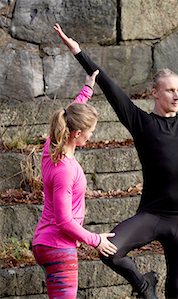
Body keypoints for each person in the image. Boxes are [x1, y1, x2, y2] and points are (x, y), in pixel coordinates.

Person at [54, 22, 178, 299]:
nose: (177, 95)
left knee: (177, 289)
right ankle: (144, 285)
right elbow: (109, 86)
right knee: (111, 250)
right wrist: (78, 52)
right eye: (169, 90)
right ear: (155, 93)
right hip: (152, 215)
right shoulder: (141, 123)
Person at [32, 70, 118, 299]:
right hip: (58, 247)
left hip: (46, 243)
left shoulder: (51, 148)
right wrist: (95, 240)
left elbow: (71, 113)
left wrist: (87, 89)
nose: (91, 136)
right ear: (77, 134)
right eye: (90, 132)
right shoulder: (65, 171)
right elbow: (63, 220)